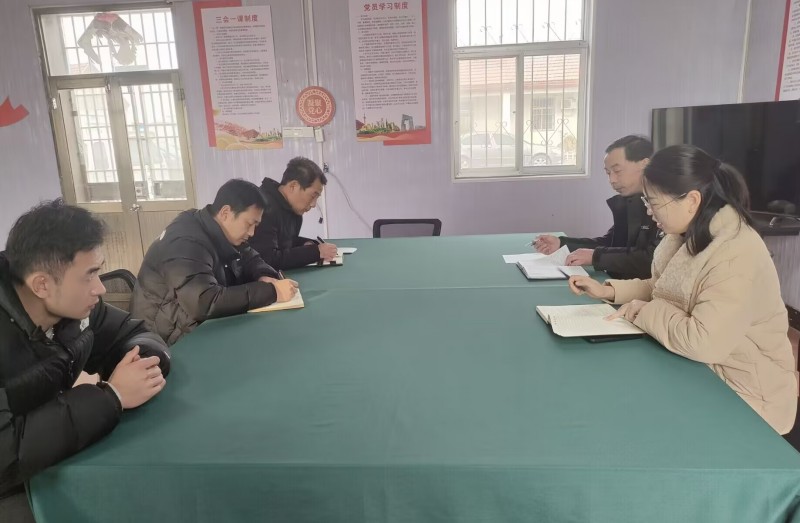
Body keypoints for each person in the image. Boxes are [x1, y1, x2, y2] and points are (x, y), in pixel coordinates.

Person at [568, 145, 797, 434]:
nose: (649, 212)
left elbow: (704, 342)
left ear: (691, 200)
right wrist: (608, 292)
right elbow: (662, 288)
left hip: (745, 396)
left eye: (653, 202)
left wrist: (643, 311)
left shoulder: (736, 252)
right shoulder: (688, 234)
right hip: (701, 372)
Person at [0, 200, 171, 521]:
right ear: (41, 284)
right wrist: (112, 396)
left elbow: (132, 333)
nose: (101, 288)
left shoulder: (75, 309)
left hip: (48, 455)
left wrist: (144, 363)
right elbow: (6, 455)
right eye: (90, 275)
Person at [131, 179, 299, 345]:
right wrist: (271, 291)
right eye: (249, 224)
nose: (252, 232)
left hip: (194, 324)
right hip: (165, 340)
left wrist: (263, 275)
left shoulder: (217, 228)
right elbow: (204, 302)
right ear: (225, 213)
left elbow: (250, 257)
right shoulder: (185, 242)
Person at [535, 135, 660, 279]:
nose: (612, 180)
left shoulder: (665, 205)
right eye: (608, 173)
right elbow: (611, 243)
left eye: (617, 171)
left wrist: (596, 257)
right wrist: (562, 244)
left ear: (645, 164)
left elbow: (651, 259)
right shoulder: (631, 201)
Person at [249, 157, 338, 270]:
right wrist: (315, 252)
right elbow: (267, 259)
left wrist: (306, 244)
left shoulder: (291, 209)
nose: (314, 204)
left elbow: (284, 242)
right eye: (313, 196)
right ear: (293, 186)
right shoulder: (264, 208)